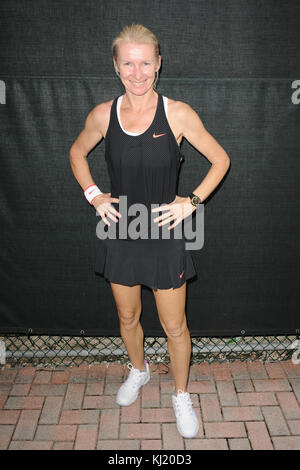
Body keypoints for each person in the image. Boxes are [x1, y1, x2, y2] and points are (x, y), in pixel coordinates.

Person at [69, 24, 230, 439]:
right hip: (121, 230)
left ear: (158, 64)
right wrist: (94, 196)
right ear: (116, 66)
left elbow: (220, 160)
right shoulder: (103, 114)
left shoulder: (177, 112)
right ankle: (138, 370)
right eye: (128, 63)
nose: (137, 72)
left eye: (145, 63)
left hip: (163, 232)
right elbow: (76, 151)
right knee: (127, 315)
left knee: (175, 327)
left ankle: (180, 393)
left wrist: (191, 202)